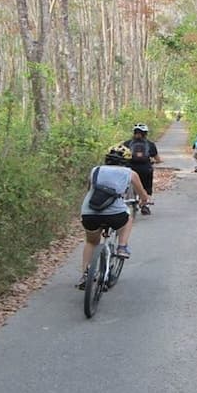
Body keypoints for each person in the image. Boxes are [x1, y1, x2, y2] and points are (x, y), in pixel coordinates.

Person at [78, 144, 151, 289]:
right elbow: (142, 194)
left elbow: (90, 190)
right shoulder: (130, 173)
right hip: (115, 214)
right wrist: (144, 200)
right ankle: (122, 247)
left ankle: (85, 275)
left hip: (89, 213)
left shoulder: (95, 170)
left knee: (91, 242)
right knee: (128, 219)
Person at [122, 123, 161, 215]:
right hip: (145, 169)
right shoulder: (150, 144)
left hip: (130, 169)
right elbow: (157, 159)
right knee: (147, 187)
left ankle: (128, 202)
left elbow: (122, 157)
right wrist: (155, 161)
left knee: (128, 185)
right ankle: (145, 205)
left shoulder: (126, 144)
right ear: (145, 134)